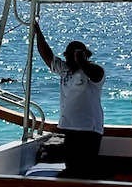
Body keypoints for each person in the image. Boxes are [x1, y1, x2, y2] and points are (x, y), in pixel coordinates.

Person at [34, 23, 105, 178]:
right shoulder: (64, 70)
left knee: (86, 170)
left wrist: (82, 61)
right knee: (72, 168)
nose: (71, 59)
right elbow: (47, 55)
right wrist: (38, 32)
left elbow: (96, 75)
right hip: (69, 127)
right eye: (70, 56)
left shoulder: (94, 71)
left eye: (77, 56)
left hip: (88, 130)